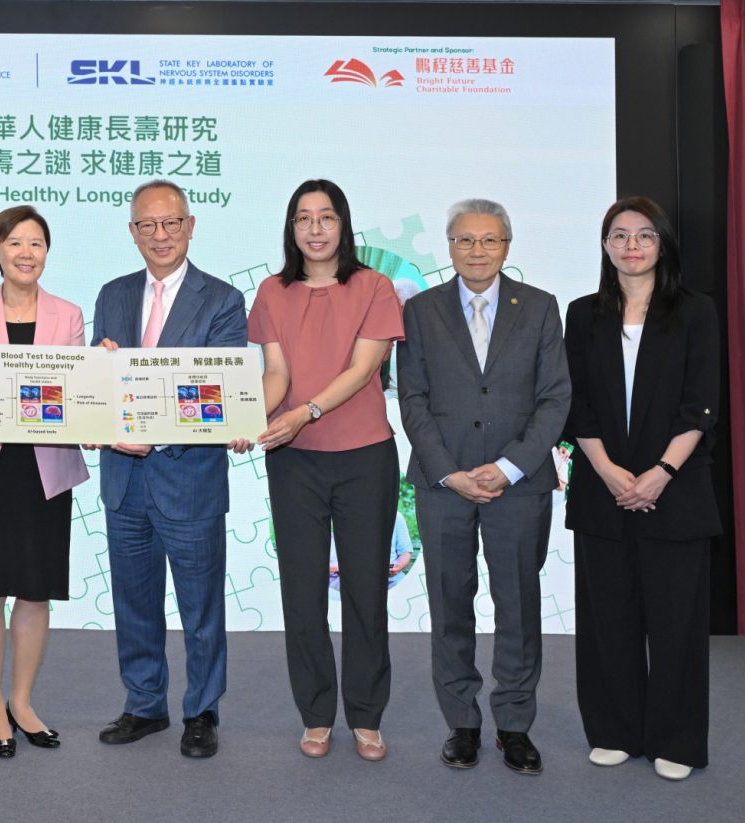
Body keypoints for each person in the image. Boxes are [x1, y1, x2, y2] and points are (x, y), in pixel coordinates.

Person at [396, 198, 570, 775]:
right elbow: (413, 398)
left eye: (489, 240)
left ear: (507, 247)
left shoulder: (542, 308)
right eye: (466, 240)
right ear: (449, 247)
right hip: (443, 483)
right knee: (450, 605)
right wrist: (447, 469)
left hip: (518, 485)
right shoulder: (419, 311)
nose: (477, 250)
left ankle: (515, 726)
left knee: (517, 605)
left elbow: (555, 398)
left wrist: (511, 466)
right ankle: (463, 724)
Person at [90, 179, 249, 759]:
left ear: (190, 225)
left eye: (171, 223)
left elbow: (219, 395)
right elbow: (96, 387)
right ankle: (144, 704)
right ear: (132, 232)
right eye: (147, 225)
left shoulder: (224, 300)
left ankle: (201, 710)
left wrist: (149, 430)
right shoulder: (111, 294)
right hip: (124, 480)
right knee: (134, 601)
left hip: (190, 479)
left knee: (200, 605)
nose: (160, 235)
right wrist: (108, 425)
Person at [564, 196, 720, 781]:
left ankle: (676, 740)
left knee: (676, 620)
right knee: (609, 616)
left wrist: (661, 473)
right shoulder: (584, 315)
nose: (632, 246)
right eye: (619, 235)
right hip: (602, 486)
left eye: (644, 235)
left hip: (675, 489)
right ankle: (613, 730)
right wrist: (607, 471)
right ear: (605, 246)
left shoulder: (696, 311)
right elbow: (576, 404)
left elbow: (700, 404)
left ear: (663, 245)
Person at [249, 179, 405, 761]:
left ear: (344, 224)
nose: (315, 229)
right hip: (294, 462)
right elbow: (277, 377)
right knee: (303, 589)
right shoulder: (272, 292)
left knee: (366, 588)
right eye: (303, 218)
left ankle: (366, 714)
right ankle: (316, 714)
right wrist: (244, 419)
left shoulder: (374, 286)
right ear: (291, 229)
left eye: (326, 217)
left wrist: (303, 414)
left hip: (365, 456)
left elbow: (365, 369)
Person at [0, 206, 90, 758]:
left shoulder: (69, 315)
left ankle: (22, 702)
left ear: (46, 253)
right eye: (15, 243)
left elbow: (76, 394)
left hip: (45, 468)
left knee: (35, 589)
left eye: (37, 243)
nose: (27, 253)